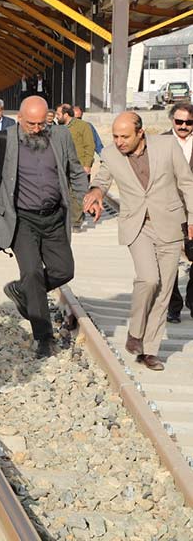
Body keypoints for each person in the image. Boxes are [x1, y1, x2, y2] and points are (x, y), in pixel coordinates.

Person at [0, 96, 88, 357]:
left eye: (41, 124)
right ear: (19, 119)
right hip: (21, 219)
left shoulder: (61, 136)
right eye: (31, 124)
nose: (37, 129)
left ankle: (21, 291)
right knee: (32, 272)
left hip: (53, 217)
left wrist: (86, 198)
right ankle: (44, 337)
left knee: (64, 270)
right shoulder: (2, 141)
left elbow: (75, 171)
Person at [85, 112, 193, 371]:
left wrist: (192, 217)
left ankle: (150, 350)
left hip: (169, 223)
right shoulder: (111, 154)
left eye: (124, 137)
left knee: (164, 291)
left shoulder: (167, 146)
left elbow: (187, 183)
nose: (119, 141)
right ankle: (136, 331)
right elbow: (102, 179)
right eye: (115, 136)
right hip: (138, 226)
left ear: (140, 133)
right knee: (148, 278)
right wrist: (96, 192)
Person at [165, 102, 193, 322]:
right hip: (168, 210)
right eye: (179, 121)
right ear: (172, 120)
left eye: (189, 122)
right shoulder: (160, 143)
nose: (184, 126)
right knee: (169, 260)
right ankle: (173, 307)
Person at [56, 103, 95, 230]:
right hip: (61, 166)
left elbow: (89, 145)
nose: (56, 116)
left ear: (66, 115)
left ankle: (76, 222)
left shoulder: (83, 126)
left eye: (58, 114)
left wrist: (87, 164)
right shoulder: (58, 128)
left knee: (77, 194)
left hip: (78, 166)